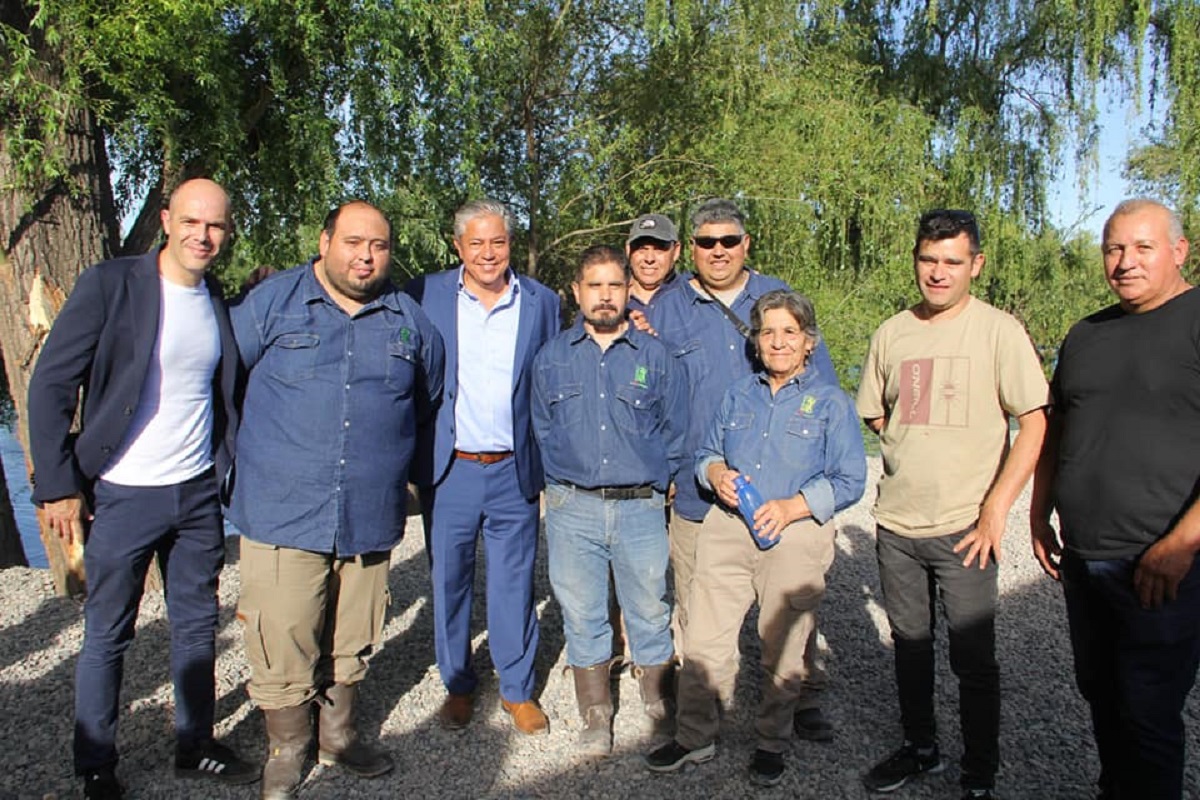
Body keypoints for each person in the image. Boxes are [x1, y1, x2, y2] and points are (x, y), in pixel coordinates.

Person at [28, 178, 258, 800]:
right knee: (108, 632)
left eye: (214, 226)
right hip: (124, 494)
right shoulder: (112, 285)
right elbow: (50, 384)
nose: (202, 236)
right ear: (165, 219)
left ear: (227, 232)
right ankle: (96, 764)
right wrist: (57, 486)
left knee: (195, 625)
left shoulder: (216, 301)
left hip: (195, 495)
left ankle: (195, 743)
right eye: (190, 222)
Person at [229, 200, 444, 800]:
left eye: (377, 245)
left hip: (368, 510)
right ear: (324, 241)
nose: (365, 256)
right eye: (352, 242)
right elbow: (223, 385)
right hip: (281, 507)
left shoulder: (410, 323)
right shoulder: (272, 304)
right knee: (283, 633)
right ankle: (287, 748)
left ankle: (339, 735)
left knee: (352, 636)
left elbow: (427, 405)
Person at [856, 209, 1049, 800]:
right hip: (897, 526)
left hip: (967, 529)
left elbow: (1035, 422)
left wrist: (996, 510)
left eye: (951, 262)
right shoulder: (893, 332)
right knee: (910, 645)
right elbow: (875, 409)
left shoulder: (999, 332)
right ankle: (921, 748)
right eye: (928, 260)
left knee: (973, 658)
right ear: (916, 259)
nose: (938, 273)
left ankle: (979, 774)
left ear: (976, 265)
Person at [645, 289, 865, 786]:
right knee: (704, 636)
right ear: (756, 341)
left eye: (790, 332)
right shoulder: (738, 395)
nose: (778, 342)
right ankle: (694, 736)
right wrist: (716, 471)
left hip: (795, 535)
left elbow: (850, 479)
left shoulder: (831, 403)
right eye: (768, 332)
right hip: (727, 529)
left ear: (809, 342)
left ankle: (771, 740)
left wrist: (793, 506)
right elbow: (705, 451)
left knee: (783, 646)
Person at [646, 197, 840, 738]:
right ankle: (706, 709)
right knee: (700, 610)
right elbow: (650, 392)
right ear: (692, 247)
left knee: (792, 608)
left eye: (728, 240)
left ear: (745, 243)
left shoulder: (779, 299)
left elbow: (822, 391)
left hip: (781, 494)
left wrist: (814, 491)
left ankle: (799, 700)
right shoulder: (668, 306)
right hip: (698, 490)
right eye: (706, 241)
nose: (717, 250)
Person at [1030, 199, 1200, 800]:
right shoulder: (1086, 334)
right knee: (1101, 693)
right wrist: (1038, 511)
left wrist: (1181, 544)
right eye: (1114, 249)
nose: (1125, 262)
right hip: (1086, 556)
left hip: (1162, 563)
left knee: (1148, 709)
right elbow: (1058, 429)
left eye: (1142, 247)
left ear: (1179, 251)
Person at [405, 198, 561, 735]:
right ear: (458, 247)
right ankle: (458, 684)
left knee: (514, 581)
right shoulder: (425, 295)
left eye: (498, 242)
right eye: (477, 243)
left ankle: (517, 690)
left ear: (510, 244)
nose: (489, 253)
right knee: (448, 581)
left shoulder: (541, 302)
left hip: (513, 469)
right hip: (450, 468)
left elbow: (549, 379)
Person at [531, 245, 689, 755]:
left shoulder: (656, 357)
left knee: (649, 608)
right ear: (576, 292)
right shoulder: (552, 358)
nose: (604, 296)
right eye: (593, 286)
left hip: (639, 508)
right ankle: (596, 715)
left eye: (614, 286)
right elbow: (541, 428)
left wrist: (656, 486)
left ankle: (660, 706)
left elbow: (676, 431)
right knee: (582, 613)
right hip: (571, 508)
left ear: (628, 292)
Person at [625, 213, 682, 316]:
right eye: (641, 249)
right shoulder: (610, 299)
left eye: (659, 249)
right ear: (628, 250)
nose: (649, 259)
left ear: (676, 251)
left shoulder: (691, 298)